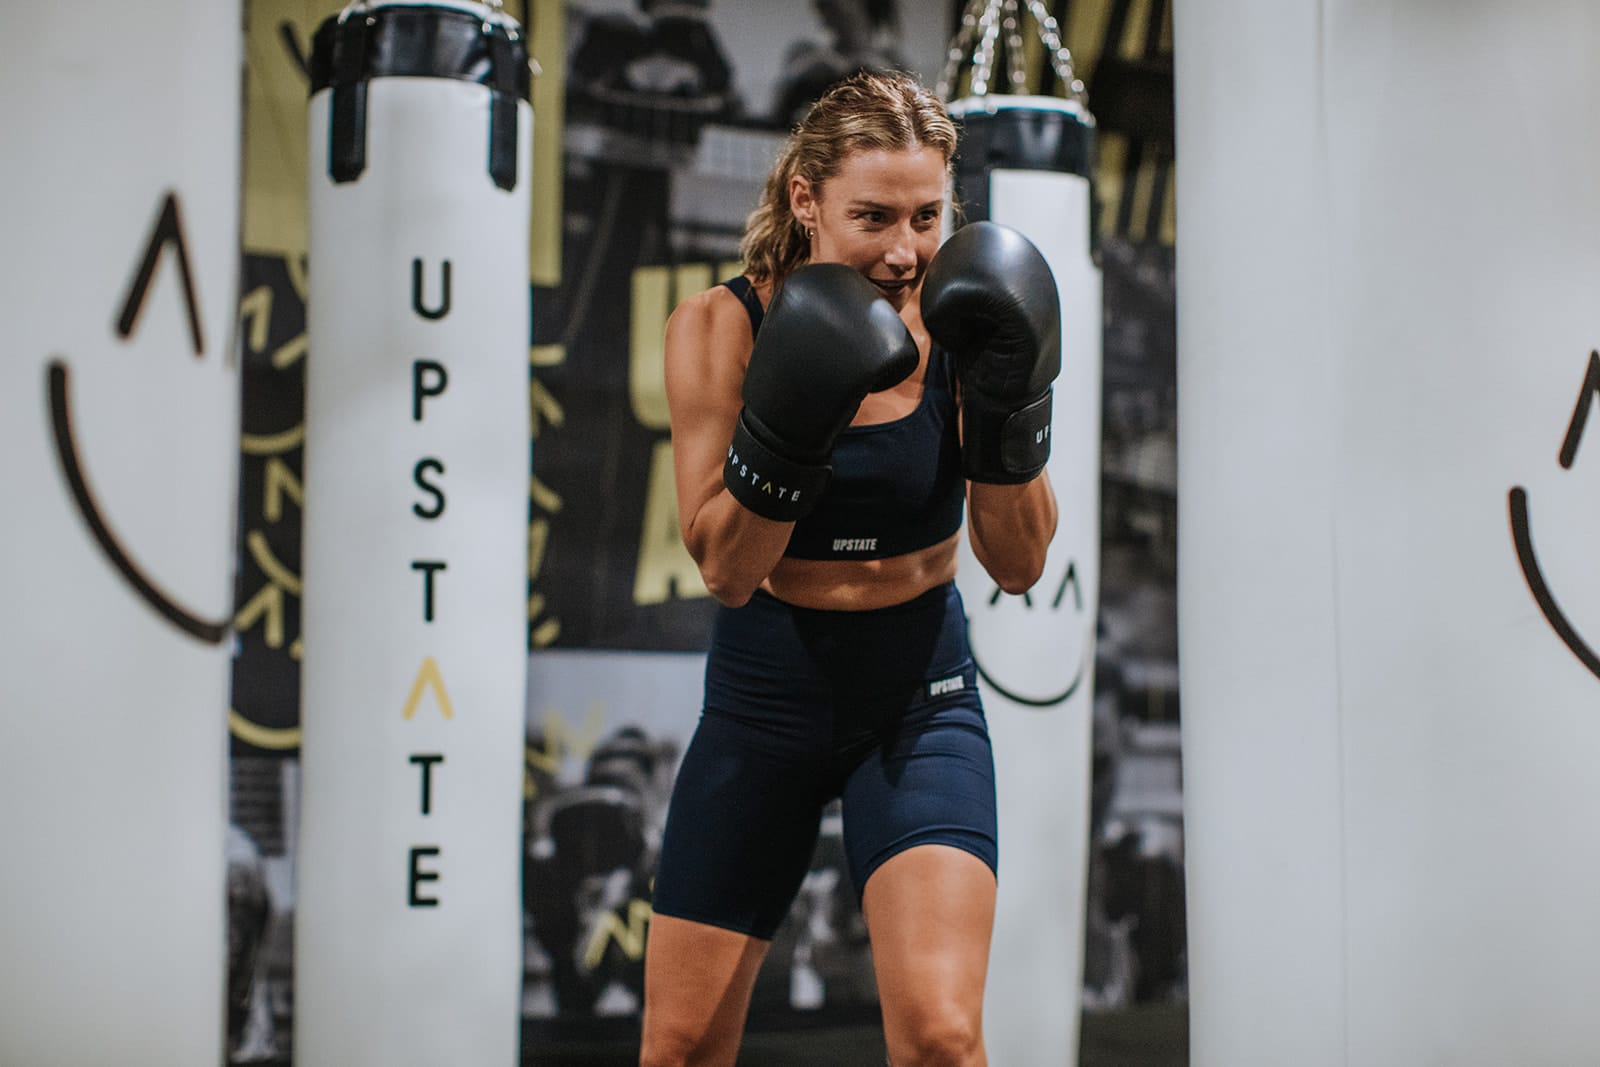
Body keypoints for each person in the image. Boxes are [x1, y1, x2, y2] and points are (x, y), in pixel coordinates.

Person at [641, 69, 1061, 1067]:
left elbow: (1019, 558)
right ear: (804, 199)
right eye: (871, 217)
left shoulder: (969, 323)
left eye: (926, 216)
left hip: (917, 695)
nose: (904, 250)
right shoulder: (720, 327)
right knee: (680, 1045)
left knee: (943, 1038)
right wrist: (793, 424)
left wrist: (1009, 409)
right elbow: (727, 571)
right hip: (766, 694)